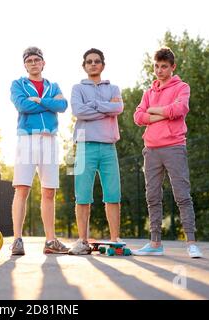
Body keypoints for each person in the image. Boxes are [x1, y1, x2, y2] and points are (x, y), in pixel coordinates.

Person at [132, 47, 203, 258]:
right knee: (152, 196)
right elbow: (137, 117)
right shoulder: (149, 92)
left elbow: (179, 109)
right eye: (156, 66)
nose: (160, 70)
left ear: (173, 67)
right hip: (151, 149)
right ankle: (155, 244)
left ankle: (191, 242)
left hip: (174, 146)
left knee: (182, 195)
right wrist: (163, 113)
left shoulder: (182, 87)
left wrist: (152, 111)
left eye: (164, 66)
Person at [9, 46, 69, 255]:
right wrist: (49, 105)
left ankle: (50, 241)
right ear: (25, 64)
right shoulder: (18, 84)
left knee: (49, 191)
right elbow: (22, 106)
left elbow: (63, 106)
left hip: (50, 140)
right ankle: (17, 239)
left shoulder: (53, 85)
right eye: (30, 60)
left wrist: (41, 100)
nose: (34, 63)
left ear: (43, 63)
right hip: (27, 138)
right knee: (22, 189)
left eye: (37, 60)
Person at [68, 48, 124, 255]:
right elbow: (78, 111)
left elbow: (118, 109)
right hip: (83, 147)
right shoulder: (77, 88)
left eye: (97, 61)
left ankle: (114, 239)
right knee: (82, 196)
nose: (93, 64)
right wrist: (105, 108)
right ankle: (82, 241)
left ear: (103, 65)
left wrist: (94, 105)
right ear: (84, 66)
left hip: (109, 147)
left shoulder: (114, 88)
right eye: (89, 61)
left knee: (113, 195)